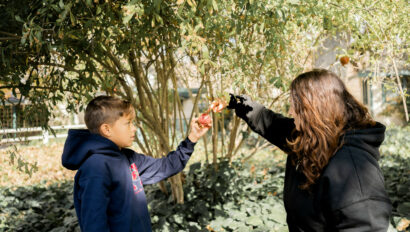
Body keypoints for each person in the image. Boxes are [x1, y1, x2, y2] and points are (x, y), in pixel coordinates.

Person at [226, 69, 392, 231]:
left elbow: (365, 225)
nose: (290, 111)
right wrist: (241, 105)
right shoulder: (311, 139)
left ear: (313, 111)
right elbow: (273, 125)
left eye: (294, 106)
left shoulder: (353, 170)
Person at [61, 96, 211, 232]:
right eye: (128, 123)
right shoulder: (95, 168)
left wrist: (192, 138)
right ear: (107, 129)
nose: (134, 128)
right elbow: (95, 226)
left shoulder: (128, 158)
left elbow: (166, 166)